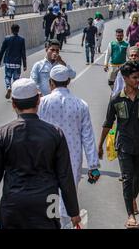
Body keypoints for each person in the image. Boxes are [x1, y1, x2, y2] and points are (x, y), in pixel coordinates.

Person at [0, 79, 81, 229]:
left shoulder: (2, 134)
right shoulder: (55, 133)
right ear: (38, 100)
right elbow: (65, 176)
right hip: (48, 202)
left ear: (13, 104)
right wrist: (74, 212)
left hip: (13, 203)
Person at [38, 65, 100, 227]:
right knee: (68, 196)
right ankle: (65, 223)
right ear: (68, 81)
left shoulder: (42, 103)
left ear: (51, 83)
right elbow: (88, 137)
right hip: (72, 160)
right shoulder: (80, 105)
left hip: (46, 158)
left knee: (48, 196)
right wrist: (93, 166)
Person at [98, 62, 139, 229]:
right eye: (134, 77)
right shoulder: (116, 100)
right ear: (125, 79)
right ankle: (130, 215)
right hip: (123, 145)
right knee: (127, 178)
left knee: (138, 177)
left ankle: (132, 199)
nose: (138, 80)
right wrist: (100, 145)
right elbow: (108, 123)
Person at [0, 24, 27, 100]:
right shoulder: (21, 39)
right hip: (17, 63)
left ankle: (8, 87)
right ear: (18, 30)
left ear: (11, 30)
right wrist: (24, 65)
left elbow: (2, 50)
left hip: (8, 62)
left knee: (7, 77)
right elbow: (23, 53)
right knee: (16, 79)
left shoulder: (7, 38)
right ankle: (14, 93)